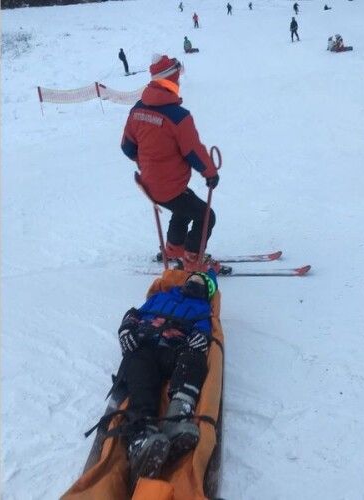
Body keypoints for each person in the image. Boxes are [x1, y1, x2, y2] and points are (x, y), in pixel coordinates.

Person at [121, 55, 220, 272]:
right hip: (169, 187)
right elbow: (193, 151)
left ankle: (175, 247)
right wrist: (210, 173)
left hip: (149, 184)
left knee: (183, 205)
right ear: (172, 80)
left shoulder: (137, 109)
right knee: (206, 216)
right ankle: (192, 258)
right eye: (178, 78)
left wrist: (146, 162)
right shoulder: (178, 117)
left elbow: (127, 147)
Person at [118, 270, 219, 479]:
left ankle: (177, 416)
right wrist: (127, 327)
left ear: (206, 292)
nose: (194, 283)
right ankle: (141, 437)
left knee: (194, 358)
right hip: (147, 345)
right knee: (140, 368)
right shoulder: (161, 297)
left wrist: (201, 337)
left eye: (201, 283)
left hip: (176, 349)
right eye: (192, 279)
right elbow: (136, 313)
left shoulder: (202, 308)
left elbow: (204, 330)